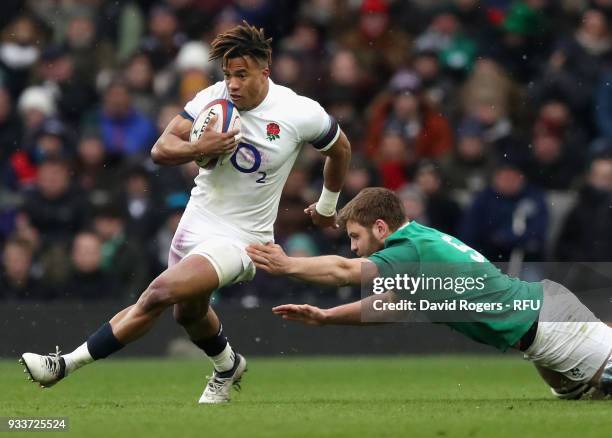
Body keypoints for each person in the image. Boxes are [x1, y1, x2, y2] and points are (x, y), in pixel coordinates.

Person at [20, 22, 351, 404]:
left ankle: (63, 365)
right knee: (187, 314)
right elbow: (160, 149)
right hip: (199, 221)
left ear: (266, 71)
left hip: (244, 239)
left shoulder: (298, 112)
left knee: (159, 292)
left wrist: (328, 207)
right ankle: (228, 365)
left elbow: (340, 150)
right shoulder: (212, 99)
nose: (233, 85)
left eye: (242, 75)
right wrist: (201, 146)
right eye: (228, 75)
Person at [246, 188, 612, 400]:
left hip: (549, 327)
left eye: (355, 237)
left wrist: (288, 265)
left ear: (379, 226)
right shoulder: (417, 245)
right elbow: (390, 306)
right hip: (544, 317)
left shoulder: (408, 248)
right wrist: (327, 317)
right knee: (575, 395)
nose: (354, 248)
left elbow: (343, 271)